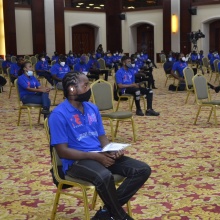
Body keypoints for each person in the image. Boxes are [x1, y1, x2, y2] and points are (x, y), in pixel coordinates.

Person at [48, 72, 151, 220]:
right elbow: (63, 152)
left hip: (99, 154)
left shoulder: (92, 108)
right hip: (76, 161)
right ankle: (120, 216)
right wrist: (95, 156)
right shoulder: (59, 115)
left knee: (142, 169)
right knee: (104, 176)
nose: (89, 88)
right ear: (72, 89)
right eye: (85, 85)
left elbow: (101, 137)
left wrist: (111, 149)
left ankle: (105, 213)